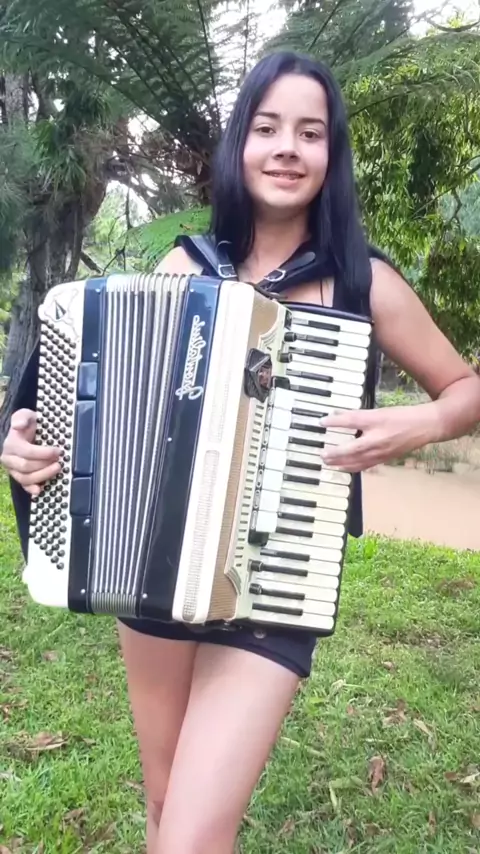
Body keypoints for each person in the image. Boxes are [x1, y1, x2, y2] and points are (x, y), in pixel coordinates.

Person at [2, 51, 480, 854]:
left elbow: (466, 389)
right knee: (165, 808)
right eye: (267, 128)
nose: (287, 147)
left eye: (310, 132)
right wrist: (25, 448)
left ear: (331, 156)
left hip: (274, 586)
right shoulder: (182, 267)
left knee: (192, 834)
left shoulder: (360, 283)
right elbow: (95, 412)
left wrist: (420, 424)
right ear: (239, 145)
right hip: (155, 577)